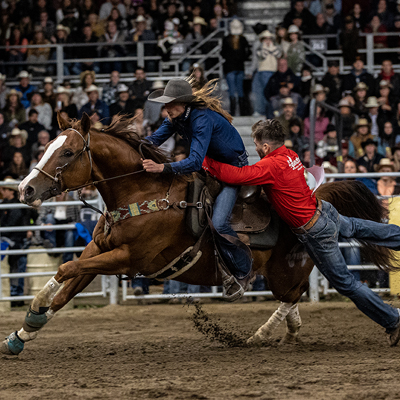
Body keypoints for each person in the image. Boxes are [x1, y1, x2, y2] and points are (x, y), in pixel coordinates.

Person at [202, 118, 400, 346]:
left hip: (315, 229)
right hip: (325, 212)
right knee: (360, 228)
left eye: (257, 144)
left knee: (345, 283)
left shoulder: (271, 165)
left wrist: (207, 162)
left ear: (265, 147)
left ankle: (393, 320)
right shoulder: (291, 155)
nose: (256, 148)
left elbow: (236, 176)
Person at [142, 78, 252, 300]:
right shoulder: (177, 117)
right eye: (165, 104)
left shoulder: (201, 119)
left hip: (233, 170)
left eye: (171, 104)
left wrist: (161, 167)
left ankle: (243, 272)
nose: (167, 109)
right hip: (212, 166)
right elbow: (151, 141)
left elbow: (193, 161)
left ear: (183, 104)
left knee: (220, 223)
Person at [221, 19, 250, 116]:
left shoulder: (228, 39)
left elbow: (223, 53)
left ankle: (234, 113)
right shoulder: (241, 39)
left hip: (232, 68)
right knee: (238, 91)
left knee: (234, 91)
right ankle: (241, 112)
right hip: (237, 68)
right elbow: (247, 53)